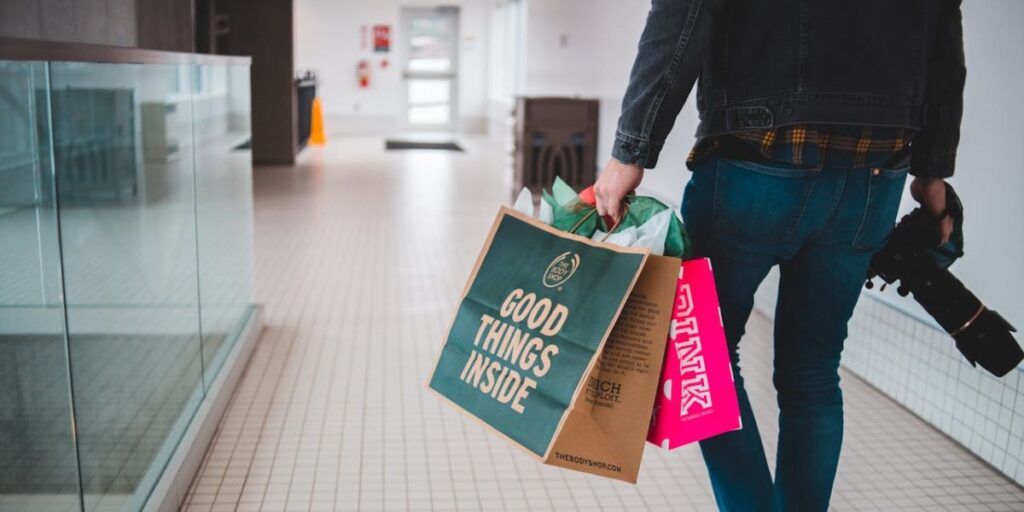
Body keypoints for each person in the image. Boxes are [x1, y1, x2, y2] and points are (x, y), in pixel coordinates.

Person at [593, 1, 965, 511]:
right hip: (874, 176)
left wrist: (630, 150)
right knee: (813, 373)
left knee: (705, 360)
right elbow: (944, 36)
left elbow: (685, 12)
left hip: (753, 163)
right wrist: (932, 172)